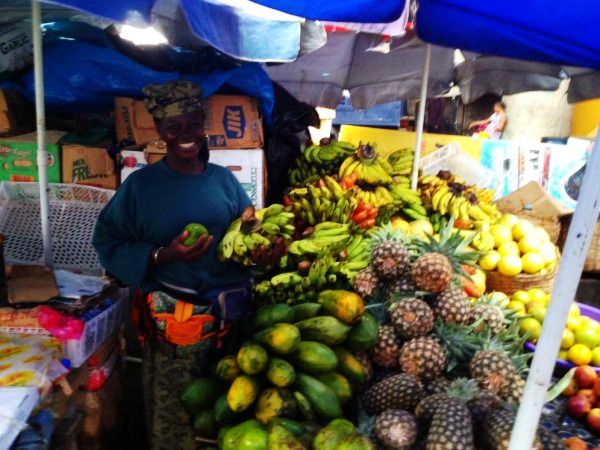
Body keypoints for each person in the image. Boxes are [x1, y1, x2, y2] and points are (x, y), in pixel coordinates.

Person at [92, 80, 253, 449]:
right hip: (175, 331)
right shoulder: (141, 187)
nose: (186, 135)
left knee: (227, 418)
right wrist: (164, 255)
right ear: (160, 131)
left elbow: (243, 236)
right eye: (174, 127)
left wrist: (264, 248)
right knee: (174, 423)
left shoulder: (224, 181)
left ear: (203, 125)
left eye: (193, 124)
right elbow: (108, 240)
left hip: (229, 325)